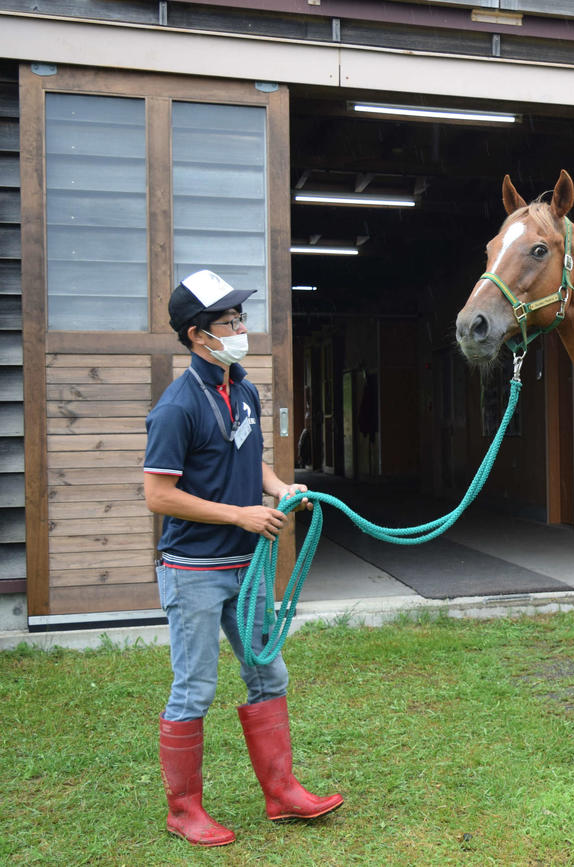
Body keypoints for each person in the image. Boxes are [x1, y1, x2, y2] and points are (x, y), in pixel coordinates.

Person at [144, 270, 342, 847]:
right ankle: (184, 811)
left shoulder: (245, 389)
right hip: (194, 571)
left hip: (245, 566)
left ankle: (281, 794)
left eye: (239, 319)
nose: (240, 329)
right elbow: (159, 494)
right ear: (197, 335)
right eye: (229, 321)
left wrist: (278, 488)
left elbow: (246, 459)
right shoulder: (176, 406)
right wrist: (240, 515)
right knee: (195, 687)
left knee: (268, 672)